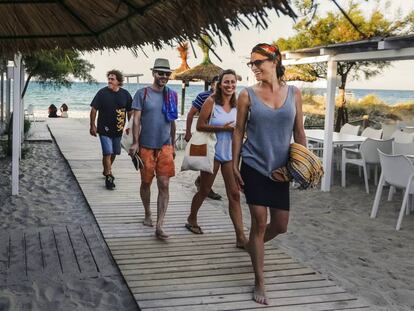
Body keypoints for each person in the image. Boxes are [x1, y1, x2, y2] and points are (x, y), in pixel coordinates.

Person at [232, 43, 306, 305]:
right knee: (259, 221)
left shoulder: (294, 93)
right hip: (253, 164)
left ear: (275, 61)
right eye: (251, 63)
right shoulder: (246, 95)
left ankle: (254, 245)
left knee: (281, 225)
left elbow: (299, 133)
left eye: (258, 62)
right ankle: (260, 280)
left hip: (281, 169)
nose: (254, 68)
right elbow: (238, 130)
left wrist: (301, 165)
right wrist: (233, 163)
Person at [185, 69, 247, 249]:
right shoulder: (211, 101)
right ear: (220, 84)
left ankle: (240, 237)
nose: (230, 85)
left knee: (234, 195)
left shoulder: (238, 104)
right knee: (204, 190)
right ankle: (192, 218)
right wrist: (224, 129)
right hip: (213, 153)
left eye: (233, 82)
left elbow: (241, 127)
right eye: (226, 82)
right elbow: (200, 125)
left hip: (230, 154)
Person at [128, 58, 178, 240]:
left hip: (165, 146)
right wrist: (135, 142)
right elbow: (136, 120)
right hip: (146, 147)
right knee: (146, 183)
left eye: (167, 74)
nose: (164, 76)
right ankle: (148, 213)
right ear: (154, 73)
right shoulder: (142, 94)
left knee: (164, 184)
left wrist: (172, 144)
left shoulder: (172, 95)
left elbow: (172, 121)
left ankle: (160, 225)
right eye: (160, 73)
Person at [90, 70, 132, 190]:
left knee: (115, 152)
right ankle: (109, 175)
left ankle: (106, 169)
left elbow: (130, 111)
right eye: (108, 78)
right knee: (107, 152)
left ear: (119, 81)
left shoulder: (125, 94)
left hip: (118, 130)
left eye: (112, 79)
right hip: (104, 129)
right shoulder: (102, 93)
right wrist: (92, 125)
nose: (109, 81)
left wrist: (130, 127)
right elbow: (94, 109)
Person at [185, 76, 222, 200]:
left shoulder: (228, 98)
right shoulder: (204, 96)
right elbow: (191, 114)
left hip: (221, 137)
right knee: (206, 160)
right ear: (212, 85)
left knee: (211, 161)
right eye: (216, 83)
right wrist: (188, 132)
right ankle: (206, 188)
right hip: (206, 134)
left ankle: (202, 182)